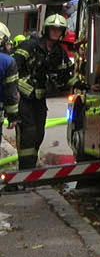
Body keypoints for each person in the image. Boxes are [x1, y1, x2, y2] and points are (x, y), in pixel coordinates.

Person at [9, 14, 76, 169]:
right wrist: (18, 88)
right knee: (29, 133)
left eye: (59, 29)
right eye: (53, 28)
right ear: (47, 29)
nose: (55, 32)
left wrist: (83, 84)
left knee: (39, 134)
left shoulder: (59, 52)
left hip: (40, 99)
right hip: (24, 98)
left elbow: (65, 76)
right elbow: (12, 67)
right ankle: (25, 171)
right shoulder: (30, 46)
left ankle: (30, 169)